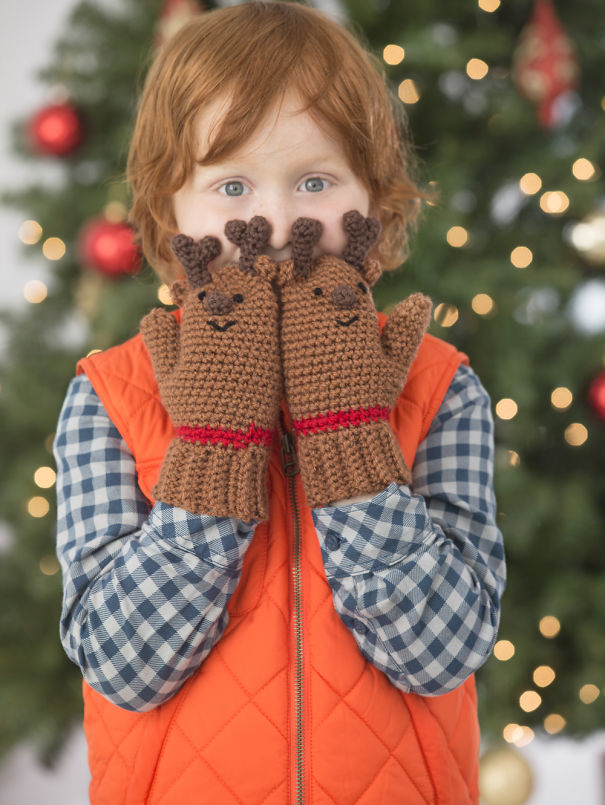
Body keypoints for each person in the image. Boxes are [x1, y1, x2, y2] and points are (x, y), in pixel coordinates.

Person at [53, 3, 506, 803]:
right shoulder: (112, 394)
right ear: (169, 209)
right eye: (231, 185)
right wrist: (211, 448)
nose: (274, 220)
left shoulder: (436, 384)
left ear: (373, 198)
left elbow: (443, 653)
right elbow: (123, 667)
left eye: (315, 181)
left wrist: (347, 433)